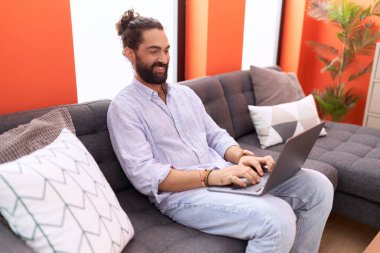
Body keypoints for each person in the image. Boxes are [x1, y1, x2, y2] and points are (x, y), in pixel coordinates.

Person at [107, 9, 334, 253]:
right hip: (184, 195)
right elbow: (144, 175)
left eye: (166, 49)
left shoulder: (185, 94)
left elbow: (215, 135)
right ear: (130, 53)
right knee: (277, 219)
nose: (163, 58)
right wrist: (210, 177)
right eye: (153, 51)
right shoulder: (124, 108)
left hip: (224, 173)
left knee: (318, 186)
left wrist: (243, 157)